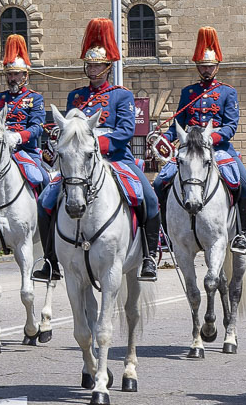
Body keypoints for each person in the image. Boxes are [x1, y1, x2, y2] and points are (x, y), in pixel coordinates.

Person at [38, 18, 159, 281]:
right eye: (90, 65)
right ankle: (50, 260)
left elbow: (126, 132)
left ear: (108, 67)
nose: (92, 71)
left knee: (147, 196)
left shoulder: (121, 95)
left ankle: (149, 255)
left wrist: (95, 145)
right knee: (45, 199)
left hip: (115, 159)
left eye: (97, 66)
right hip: (79, 164)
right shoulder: (76, 97)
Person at [154, 27, 246, 259]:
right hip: (190, 148)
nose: (206, 69)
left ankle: (240, 233)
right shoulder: (189, 92)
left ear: (217, 66)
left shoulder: (227, 92)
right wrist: (164, 139)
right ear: (197, 67)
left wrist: (211, 138)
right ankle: (167, 232)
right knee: (159, 182)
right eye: (202, 65)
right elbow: (177, 123)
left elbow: (230, 126)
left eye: (209, 66)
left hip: (218, 149)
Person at [0, 34, 53, 277]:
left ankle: (49, 241)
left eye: (17, 74)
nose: (12, 78)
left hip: (25, 152)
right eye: (9, 74)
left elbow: (37, 127)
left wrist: (20, 137)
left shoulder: (34, 99)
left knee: (43, 181)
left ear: (26, 75)